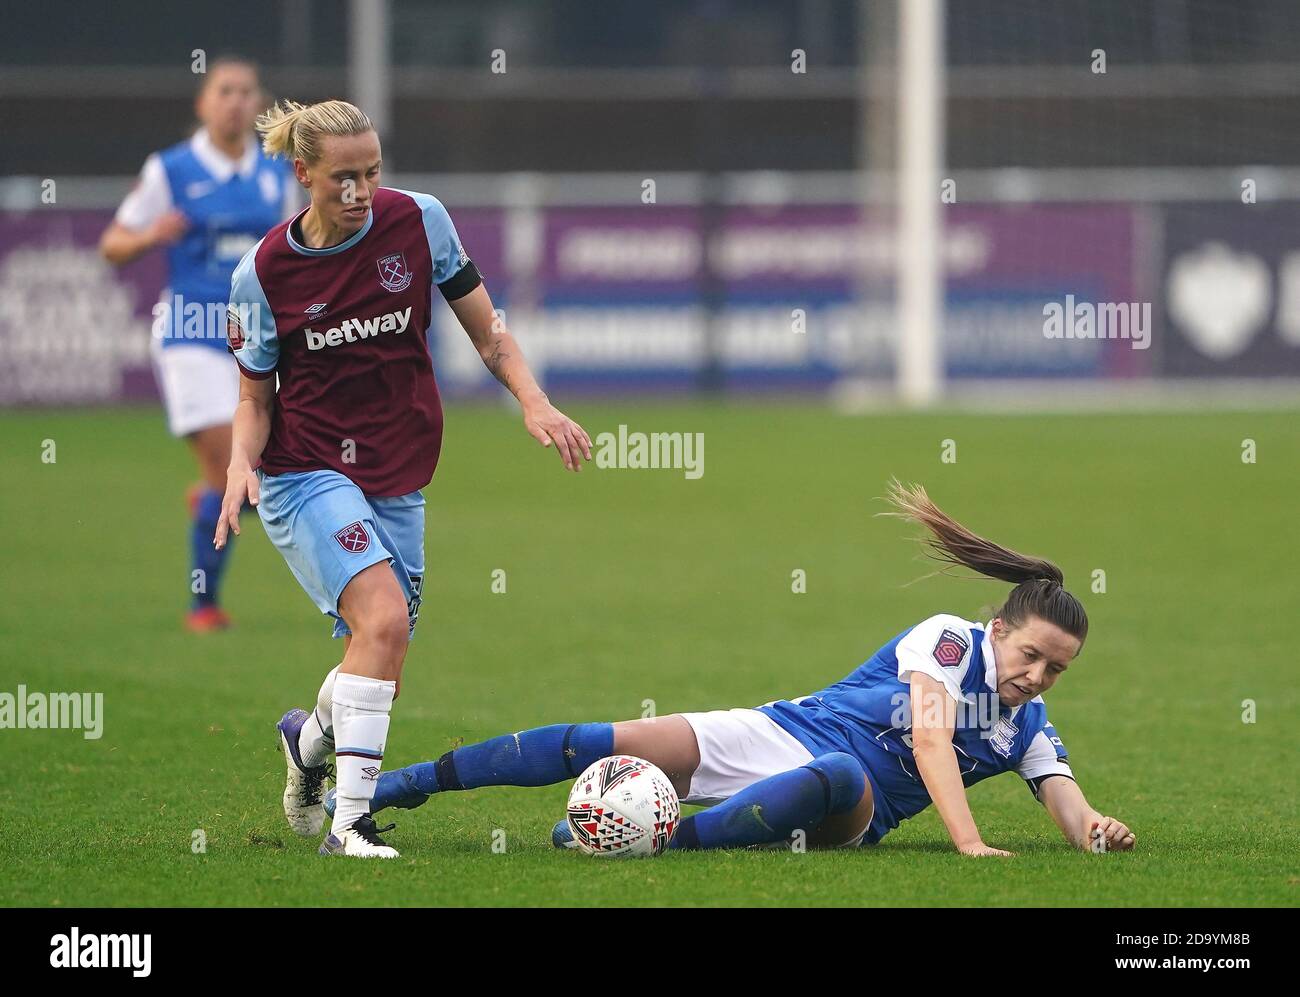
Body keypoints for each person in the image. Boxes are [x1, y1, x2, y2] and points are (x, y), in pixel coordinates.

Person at [329, 481, 1136, 856]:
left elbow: (1067, 802)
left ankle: (657, 838)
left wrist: (1095, 829)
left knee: (833, 773)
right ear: (999, 629)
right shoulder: (950, 642)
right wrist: (969, 843)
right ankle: (387, 789)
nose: (1038, 675)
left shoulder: (1026, 726)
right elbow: (930, 741)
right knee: (597, 738)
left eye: (1057, 669)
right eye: (1031, 653)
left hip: (847, 803)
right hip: (776, 728)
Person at [216, 98, 592, 859]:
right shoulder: (262, 273)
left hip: (398, 469)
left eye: (371, 174)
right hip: (304, 470)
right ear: (302, 174)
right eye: (341, 178)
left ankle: (307, 743)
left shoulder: (420, 221)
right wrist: (236, 464)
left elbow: (489, 333)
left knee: (381, 652)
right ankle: (348, 827)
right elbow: (256, 397)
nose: (359, 192)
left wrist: (534, 401)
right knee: (383, 621)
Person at [101, 55, 298, 632]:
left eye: (246, 91)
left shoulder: (276, 171)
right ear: (203, 103)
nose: (236, 100)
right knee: (233, 468)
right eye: (225, 90)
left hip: (255, 337)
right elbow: (112, 244)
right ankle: (202, 606)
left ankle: (208, 508)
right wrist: (148, 235)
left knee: (268, 474)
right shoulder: (172, 169)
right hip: (191, 332)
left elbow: (291, 247)